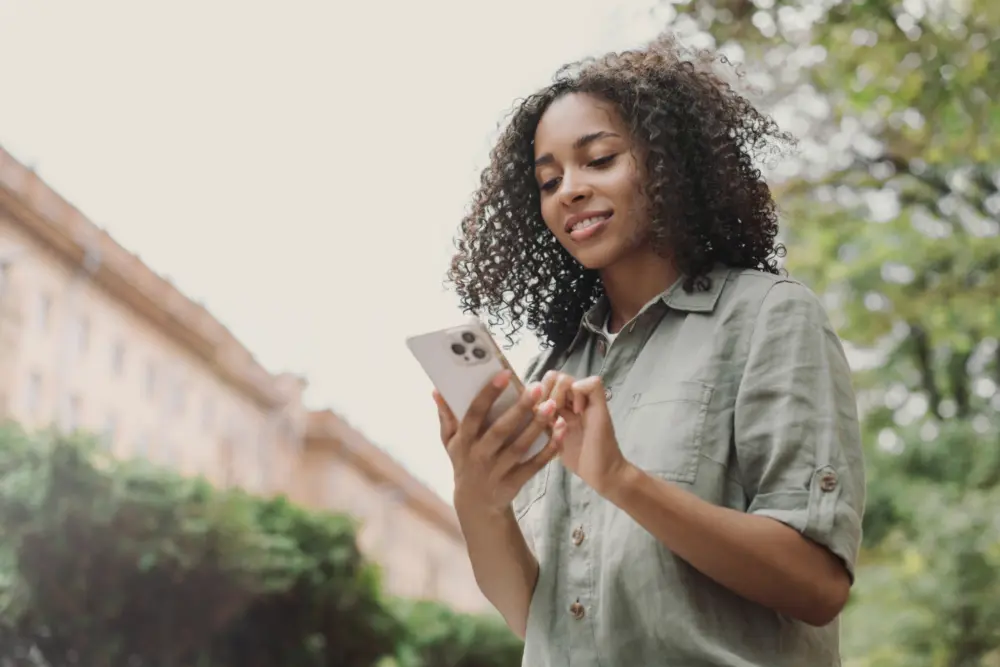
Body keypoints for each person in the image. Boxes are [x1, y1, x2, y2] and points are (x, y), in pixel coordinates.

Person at [432, 33, 865, 667]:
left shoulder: (767, 317)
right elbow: (539, 620)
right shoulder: (553, 371)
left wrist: (621, 480)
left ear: (669, 167)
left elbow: (818, 585)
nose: (569, 191)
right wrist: (478, 498)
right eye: (549, 180)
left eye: (599, 159)